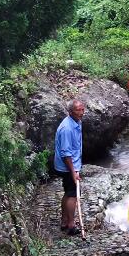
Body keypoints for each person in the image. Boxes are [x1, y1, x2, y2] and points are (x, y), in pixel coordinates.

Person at [53, 100, 85, 236]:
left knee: (67, 192)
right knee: (72, 194)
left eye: (83, 109)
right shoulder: (67, 128)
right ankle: (71, 224)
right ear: (70, 111)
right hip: (67, 165)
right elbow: (66, 154)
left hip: (72, 162)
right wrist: (73, 172)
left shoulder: (76, 121)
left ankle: (64, 220)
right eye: (78, 110)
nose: (81, 112)